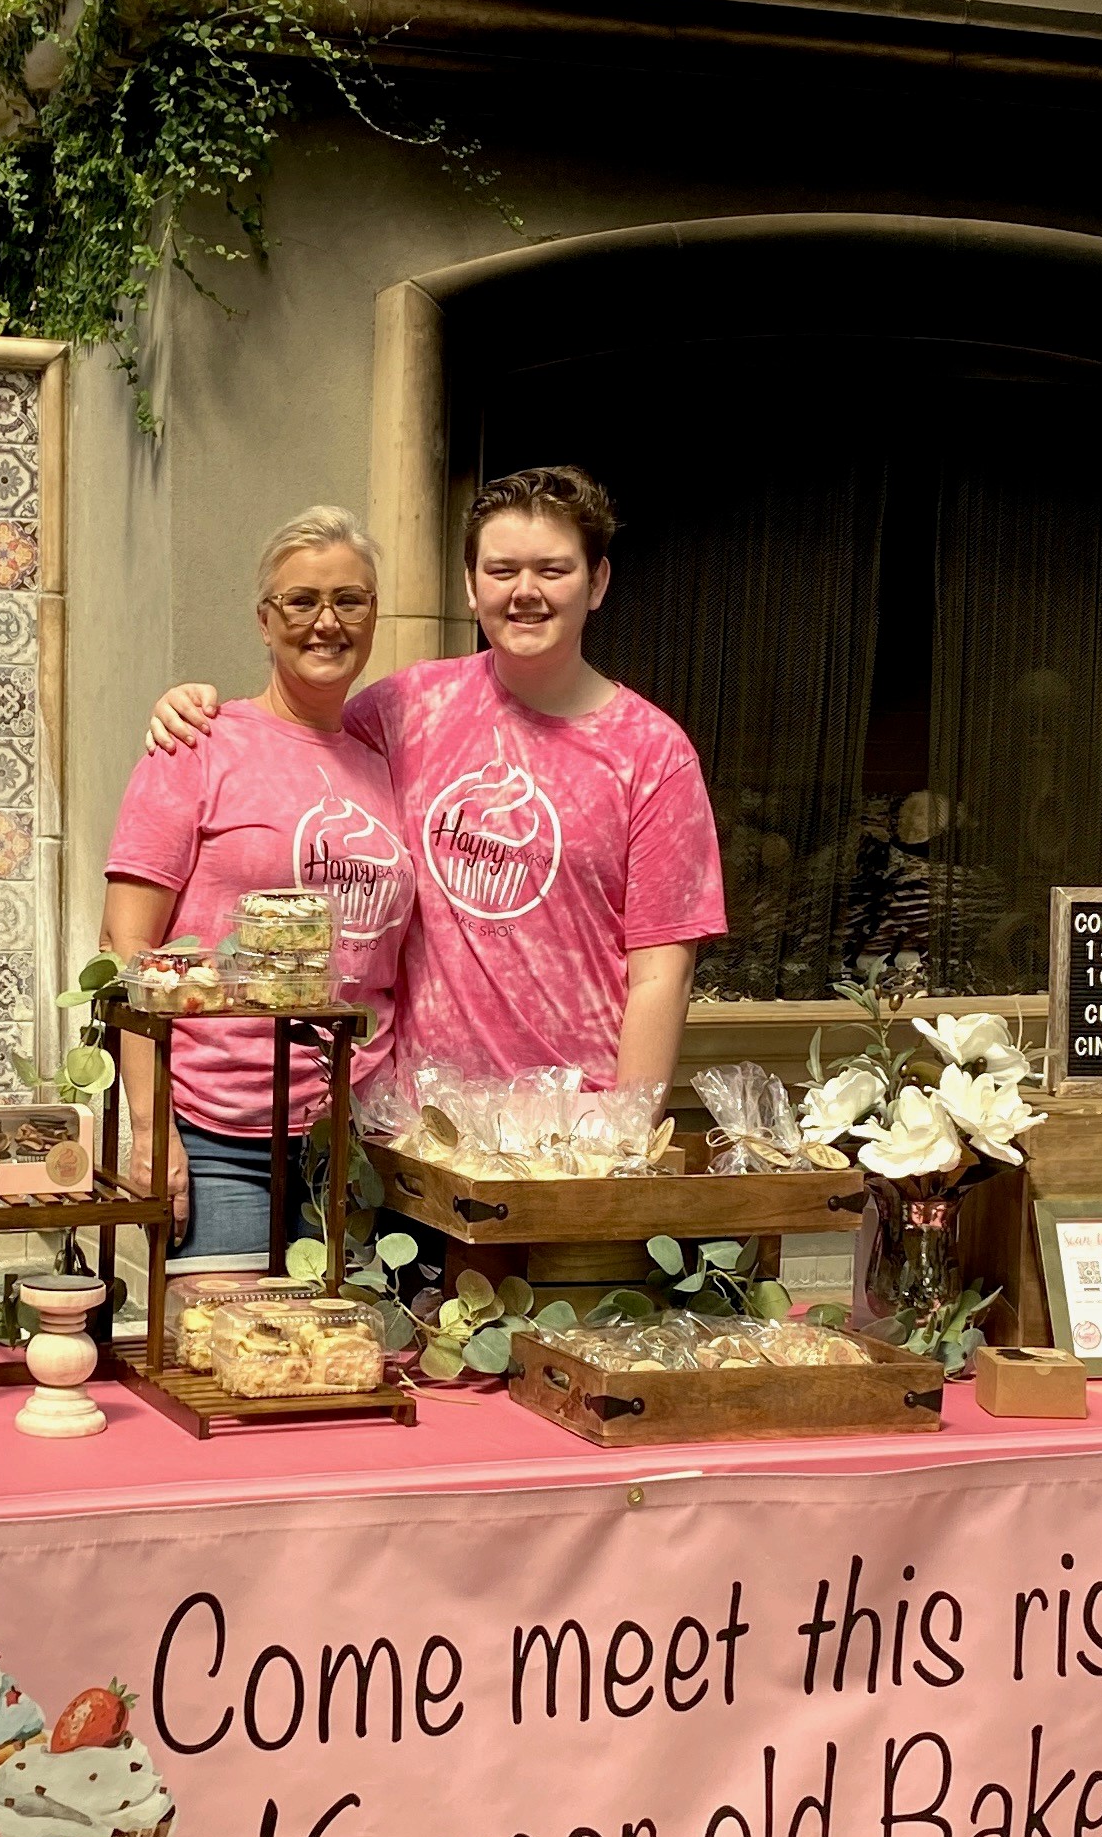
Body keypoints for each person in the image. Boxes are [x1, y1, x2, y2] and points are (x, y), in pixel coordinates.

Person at [146, 464, 722, 1093]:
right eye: (502, 571)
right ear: (472, 587)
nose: (525, 592)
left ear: (597, 582)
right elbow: (294, 740)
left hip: (574, 1131)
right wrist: (200, 712)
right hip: (412, 1129)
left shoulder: (654, 755)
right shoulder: (407, 709)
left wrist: (627, 1134)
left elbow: (662, 975)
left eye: (553, 571)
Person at [103, 505, 414, 1260]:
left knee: (343, 1359)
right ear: (264, 621)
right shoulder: (199, 745)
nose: (326, 622)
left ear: (374, 613)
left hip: (359, 1136)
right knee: (226, 1352)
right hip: (217, 1129)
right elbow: (124, 944)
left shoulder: (392, 759)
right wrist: (151, 1130)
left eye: (350, 599)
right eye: (301, 601)